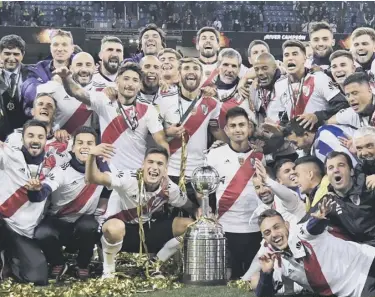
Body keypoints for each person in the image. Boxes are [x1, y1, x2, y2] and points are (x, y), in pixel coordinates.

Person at [85, 145, 197, 278]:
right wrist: (91, 156)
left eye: (160, 164)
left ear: (165, 169)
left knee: (192, 226)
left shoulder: (170, 188)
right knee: (115, 227)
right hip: (121, 232)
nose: (155, 167)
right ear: (143, 165)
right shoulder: (127, 178)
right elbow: (94, 178)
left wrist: (199, 210)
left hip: (147, 231)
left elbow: (190, 207)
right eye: (150, 162)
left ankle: (154, 264)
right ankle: (108, 271)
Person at [54, 62, 169, 171]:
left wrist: (163, 170)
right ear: (117, 81)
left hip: (136, 173)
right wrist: (66, 78)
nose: (130, 84)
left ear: (139, 85)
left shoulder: (148, 110)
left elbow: (161, 142)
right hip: (107, 173)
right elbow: (78, 92)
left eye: (135, 80)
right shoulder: (103, 101)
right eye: (126, 79)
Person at [30, 127, 106, 280]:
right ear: (72, 148)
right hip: (58, 222)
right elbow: (43, 192)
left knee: (90, 227)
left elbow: (113, 186)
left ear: (96, 147)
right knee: (42, 234)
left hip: (83, 221)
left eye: (90, 143)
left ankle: (83, 264)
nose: (85, 146)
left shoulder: (103, 169)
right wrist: (36, 190)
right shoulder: (61, 171)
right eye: (80, 143)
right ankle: (58, 262)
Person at [254, 208, 375, 297]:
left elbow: (312, 227)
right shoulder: (274, 260)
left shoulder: (300, 232)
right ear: (264, 238)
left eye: (277, 227)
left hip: (369, 261)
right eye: (267, 232)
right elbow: (263, 294)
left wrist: (319, 219)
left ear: (287, 225)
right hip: (358, 288)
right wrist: (266, 273)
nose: (274, 234)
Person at [157, 58, 226, 204]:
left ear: (201, 75)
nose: (191, 71)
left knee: (201, 215)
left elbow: (215, 130)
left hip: (199, 170)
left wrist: (232, 145)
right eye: (186, 68)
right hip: (169, 170)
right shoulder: (163, 99)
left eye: (195, 68)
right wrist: (168, 132)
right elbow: (152, 133)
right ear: (179, 74)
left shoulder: (212, 103)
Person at [207, 107, 264, 279]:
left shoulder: (260, 155)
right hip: (225, 228)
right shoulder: (214, 154)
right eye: (233, 126)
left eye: (241, 125)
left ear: (249, 128)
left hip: (254, 228)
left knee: (253, 278)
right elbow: (204, 190)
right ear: (226, 130)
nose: (238, 129)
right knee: (227, 277)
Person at [0, 120, 58, 285]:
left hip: (24, 232)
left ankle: (10, 259)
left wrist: (36, 190)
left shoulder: (52, 165)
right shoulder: (9, 154)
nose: (35, 140)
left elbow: (41, 195)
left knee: (37, 279)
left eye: (40, 136)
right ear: (22, 138)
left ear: (46, 140)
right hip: (3, 222)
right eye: (30, 135)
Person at [268, 40, 348, 129]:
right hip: (296, 139)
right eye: (286, 55)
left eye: (295, 54)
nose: (290, 58)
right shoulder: (279, 84)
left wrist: (317, 116)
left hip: (320, 134)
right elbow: (284, 115)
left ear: (304, 59)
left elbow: (342, 104)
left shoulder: (319, 78)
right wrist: (281, 128)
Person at [324, 151, 375, 248]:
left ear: (351, 171)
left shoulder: (370, 186)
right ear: (327, 176)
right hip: (365, 253)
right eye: (330, 168)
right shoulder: (329, 203)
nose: (336, 170)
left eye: (341, 165)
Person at [37, 52, 102, 135]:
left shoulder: (102, 91)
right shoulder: (54, 88)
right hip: (61, 144)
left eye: (88, 65)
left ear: (95, 68)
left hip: (91, 144)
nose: (84, 69)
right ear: (71, 68)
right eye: (79, 65)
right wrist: (55, 130)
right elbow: (40, 118)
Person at [22, 29, 74, 116]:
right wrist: (54, 83)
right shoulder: (38, 69)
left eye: (64, 45)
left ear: (72, 49)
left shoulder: (80, 69)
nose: (60, 49)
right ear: (51, 48)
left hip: (73, 122)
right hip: (43, 124)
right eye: (55, 44)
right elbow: (29, 95)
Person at [204, 48, 254, 128]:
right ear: (218, 66)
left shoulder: (247, 88)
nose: (230, 70)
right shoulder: (206, 89)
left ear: (239, 69)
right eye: (225, 65)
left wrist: (244, 79)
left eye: (234, 66)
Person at [283, 118, 357, 165]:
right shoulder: (323, 132)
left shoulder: (324, 141)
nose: (296, 147)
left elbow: (349, 162)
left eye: (295, 143)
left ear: (306, 134)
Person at [0, 35, 29, 141]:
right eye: (7, 53)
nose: (11, 58)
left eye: (16, 54)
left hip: (26, 134)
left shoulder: (32, 74)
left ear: (23, 55)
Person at [350, 27, 375, 91]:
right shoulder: (348, 67)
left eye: (364, 44)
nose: (360, 48)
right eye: (356, 45)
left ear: (374, 47)